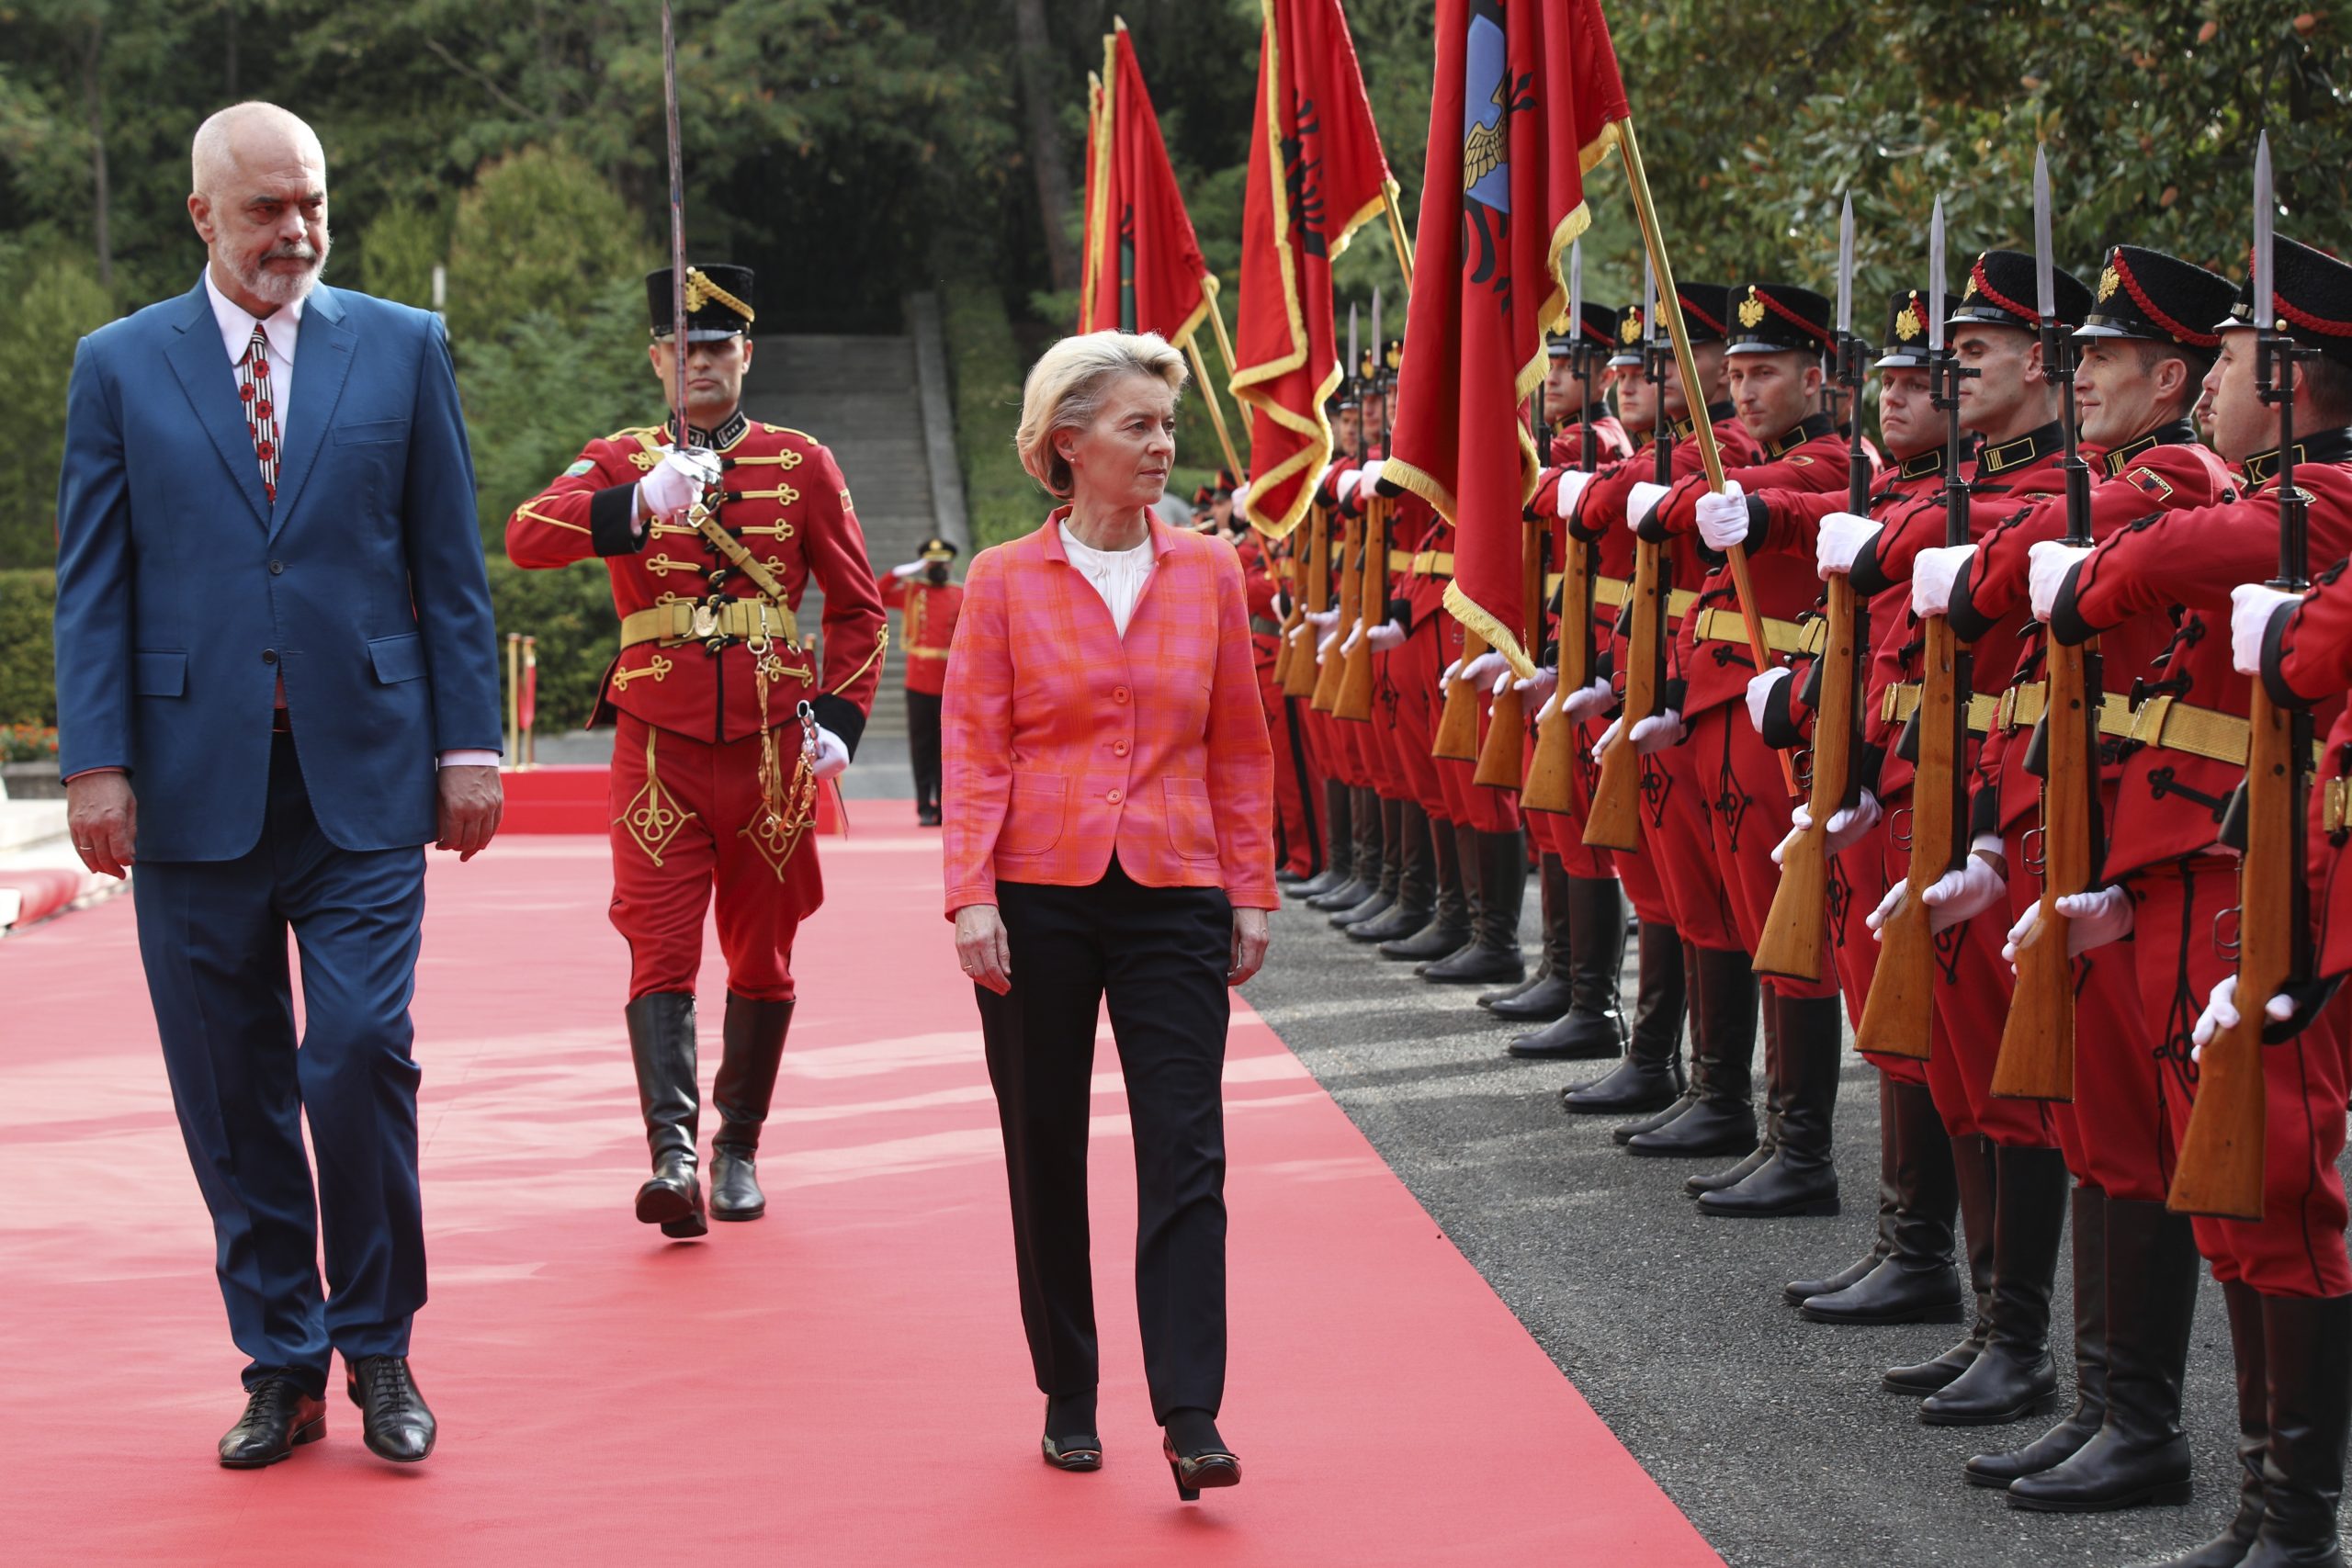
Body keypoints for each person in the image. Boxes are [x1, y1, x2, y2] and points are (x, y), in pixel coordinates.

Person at [55, 102, 503, 1469]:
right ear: (203, 216)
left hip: (364, 773)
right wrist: (96, 760)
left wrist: (469, 744)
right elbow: (94, 579)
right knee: (228, 1080)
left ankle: (382, 1346)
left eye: (309, 203)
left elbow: (448, 562)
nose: (294, 232)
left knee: (358, 1049)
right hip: (190, 788)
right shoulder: (120, 365)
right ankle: (282, 1360)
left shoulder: (403, 346)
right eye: (264, 210)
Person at [942, 329, 1274, 1497]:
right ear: (1066, 444)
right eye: (1136, 425)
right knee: (1045, 1147)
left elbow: (1238, 743)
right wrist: (969, 893)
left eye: (1164, 426)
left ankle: (1191, 1411)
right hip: (1036, 898)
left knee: (1187, 1148)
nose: (1160, 445)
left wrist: (1251, 887)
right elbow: (975, 750)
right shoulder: (997, 579)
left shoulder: (1212, 574)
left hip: (1176, 893)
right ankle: (1068, 1390)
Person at [505, 263, 887, 1238]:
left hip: (767, 749)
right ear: (657, 359)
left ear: (745, 355)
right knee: (658, 948)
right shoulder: (620, 457)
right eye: (682, 349)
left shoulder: (803, 462)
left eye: (717, 348)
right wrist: (637, 502)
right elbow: (525, 536)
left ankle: (738, 1145)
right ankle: (670, 1154)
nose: (700, 364)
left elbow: (856, 607)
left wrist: (838, 722)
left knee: (762, 952)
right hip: (658, 746)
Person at [880, 536, 963, 826]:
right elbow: (875, 595)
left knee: (947, 747)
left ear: (950, 565)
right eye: (932, 564)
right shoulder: (913, 592)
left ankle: (943, 804)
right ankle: (923, 806)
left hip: (950, 682)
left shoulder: (959, 595)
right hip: (918, 681)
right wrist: (898, 573)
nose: (938, 568)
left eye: (942, 564)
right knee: (921, 745)